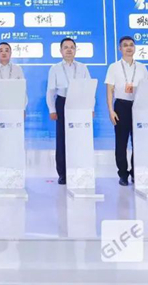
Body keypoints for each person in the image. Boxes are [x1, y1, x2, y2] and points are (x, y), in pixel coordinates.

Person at [105, 36, 148, 186]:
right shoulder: (114, 67)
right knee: (121, 142)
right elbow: (109, 90)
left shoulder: (142, 67)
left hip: (138, 106)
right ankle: (123, 174)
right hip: (121, 106)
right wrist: (111, 110)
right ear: (120, 49)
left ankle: (135, 172)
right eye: (125, 45)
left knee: (138, 142)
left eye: (131, 45)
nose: (129, 48)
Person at [46, 38, 90, 185]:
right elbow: (50, 91)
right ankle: (63, 174)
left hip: (79, 103)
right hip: (62, 102)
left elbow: (89, 88)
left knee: (79, 138)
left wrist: (90, 108)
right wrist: (52, 109)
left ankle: (78, 171)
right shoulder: (55, 68)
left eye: (72, 47)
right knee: (62, 139)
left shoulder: (83, 67)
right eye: (66, 47)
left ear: (75, 50)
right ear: (61, 51)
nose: (69, 50)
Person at [0, 42, 26, 183]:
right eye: (1, 50)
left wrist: (22, 108)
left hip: (14, 108)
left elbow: (22, 90)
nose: (4, 52)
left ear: (11, 53)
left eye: (6, 50)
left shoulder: (17, 69)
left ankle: (14, 171)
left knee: (13, 141)